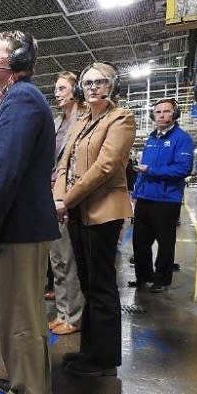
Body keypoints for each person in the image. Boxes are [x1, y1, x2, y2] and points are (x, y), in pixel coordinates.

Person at [0, 30, 59, 394]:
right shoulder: (16, 100)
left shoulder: (22, 99)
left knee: (21, 316)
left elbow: (6, 169)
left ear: (17, 60)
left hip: (17, 228)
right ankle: (28, 382)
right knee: (19, 314)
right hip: (20, 226)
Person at [54, 62, 136, 377]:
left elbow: (105, 167)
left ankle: (105, 361)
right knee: (87, 284)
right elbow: (65, 164)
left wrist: (67, 200)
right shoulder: (82, 120)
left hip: (104, 213)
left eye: (99, 82)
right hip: (77, 212)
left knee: (101, 286)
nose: (92, 88)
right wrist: (60, 198)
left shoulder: (121, 119)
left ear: (112, 85)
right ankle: (89, 351)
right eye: (87, 84)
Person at [129, 99, 193, 293]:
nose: (162, 115)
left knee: (165, 244)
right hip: (145, 198)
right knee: (139, 241)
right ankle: (143, 277)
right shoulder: (151, 139)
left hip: (166, 200)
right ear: (153, 115)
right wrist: (136, 192)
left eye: (166, 112)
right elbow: (143, 170)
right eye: (158, 112)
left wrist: (151, 170)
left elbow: (183, 169)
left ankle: (161, 280)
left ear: (174, 114)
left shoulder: (182, 139)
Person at [48, 72, 86, 336]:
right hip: (50, 194)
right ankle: (62, 311)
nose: (57, 93)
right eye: (56, 89)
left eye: (62, 88)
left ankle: (74, 315)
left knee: (70, 258)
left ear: (75, 90)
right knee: (57, 258)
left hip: (72, 196)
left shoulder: (84, 121)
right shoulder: (58, 123)